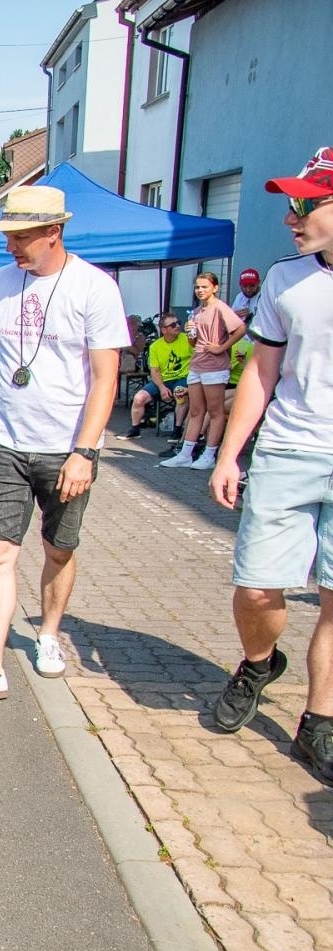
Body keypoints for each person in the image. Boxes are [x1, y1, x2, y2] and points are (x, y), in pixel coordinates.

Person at [0, 186, 128, 702]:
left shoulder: (95, 288)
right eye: (9, 237)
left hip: (66, 448)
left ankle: (47, 633)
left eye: (21, 237)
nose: (11, 247)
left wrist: (85, 452)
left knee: (58, 550)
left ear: (53, 232)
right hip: (4, 443)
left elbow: (105, 378)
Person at [206, 146, 333, 778]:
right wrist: (229, 453)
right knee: (257, 588)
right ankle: (260, 663)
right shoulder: (286, 278)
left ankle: (319, 722)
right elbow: (261, 371)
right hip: (289, 448)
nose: (291, 217)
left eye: (306, 205)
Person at [159, 272, 246, 471]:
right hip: (197, 364)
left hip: (214, 366)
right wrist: (190, 333)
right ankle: (185, 454)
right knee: (196, 411)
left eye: (204, 286)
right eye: (197, 287)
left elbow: (240, 329)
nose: (200, 290)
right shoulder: (197, 312)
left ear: (215, 288)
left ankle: (209, 455)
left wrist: (221, 348)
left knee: (215, 412)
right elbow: (193, 342)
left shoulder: (220, 308)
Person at [118, 315, 191, 440]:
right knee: (139, 398)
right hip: (163, 380)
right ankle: (135, 429)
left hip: (183, 377)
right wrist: (162, 387)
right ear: (164, 330)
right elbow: (155, 371)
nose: (178, 326)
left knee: (180, 393)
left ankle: (177, 429)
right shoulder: (155, 346)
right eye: (173, 325)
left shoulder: (187, 340)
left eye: (178, 323)